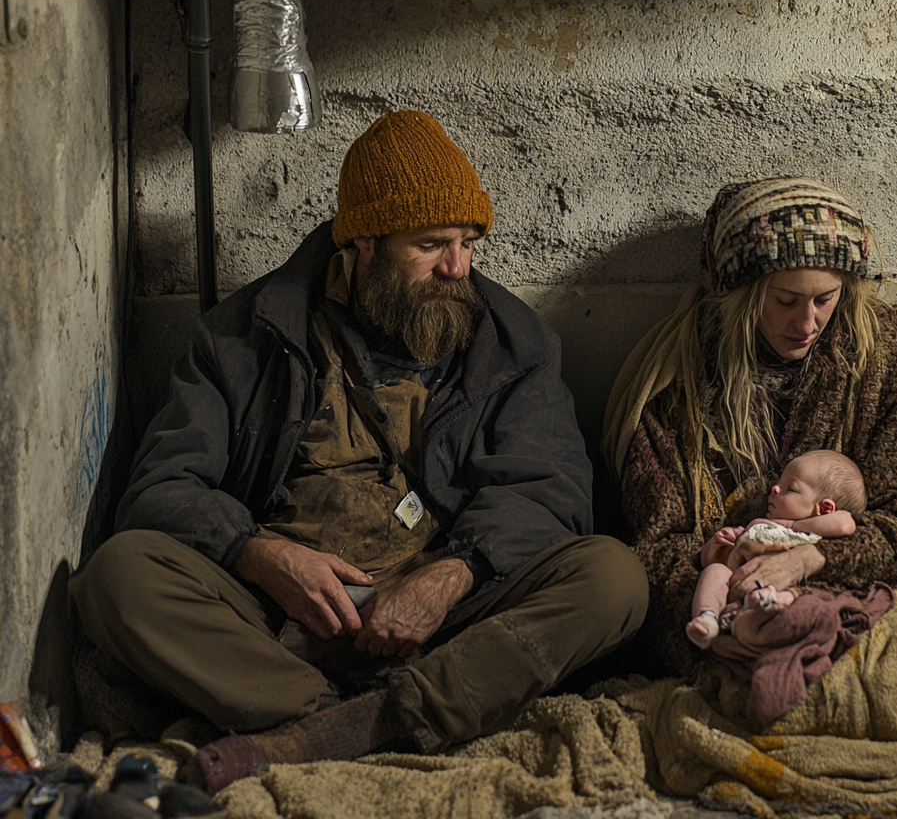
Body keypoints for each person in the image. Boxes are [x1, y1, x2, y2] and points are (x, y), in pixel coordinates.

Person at [69, 110, 648, 793]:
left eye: (467, 242)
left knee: (614, 577)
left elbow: (550, 491)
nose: (457, 267)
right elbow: (160, 490)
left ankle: (327, 734)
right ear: (364, 244)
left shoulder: (512, 341)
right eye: (430, 245)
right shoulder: (243, 338)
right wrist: (259, 554)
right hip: (280, 625)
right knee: (118, 575)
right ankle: (359, 716)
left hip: (444, 623)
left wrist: (454, 574)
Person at [604, 176, 897, 675]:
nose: (807, 323)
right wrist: (709, 620)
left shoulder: (882, 353)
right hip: (724, 605)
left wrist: (813, 559)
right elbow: (660, 547)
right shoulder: (675, 380)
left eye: (826, 299)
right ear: (741, 295)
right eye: (785, 301)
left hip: (852, 588)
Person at [687, 449, 863, 648]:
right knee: (714, 572)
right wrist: (718, 546)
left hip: (780, 593)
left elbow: (845, 524)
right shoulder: (757, 525)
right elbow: (720, 562)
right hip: (739, 584)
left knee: (802, 599)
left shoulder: (812, 534)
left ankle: (756, 613)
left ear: (824, 509)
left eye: (791, 489)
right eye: (779, 482)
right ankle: (707, 618)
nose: (774, 489)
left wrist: (793, 526)